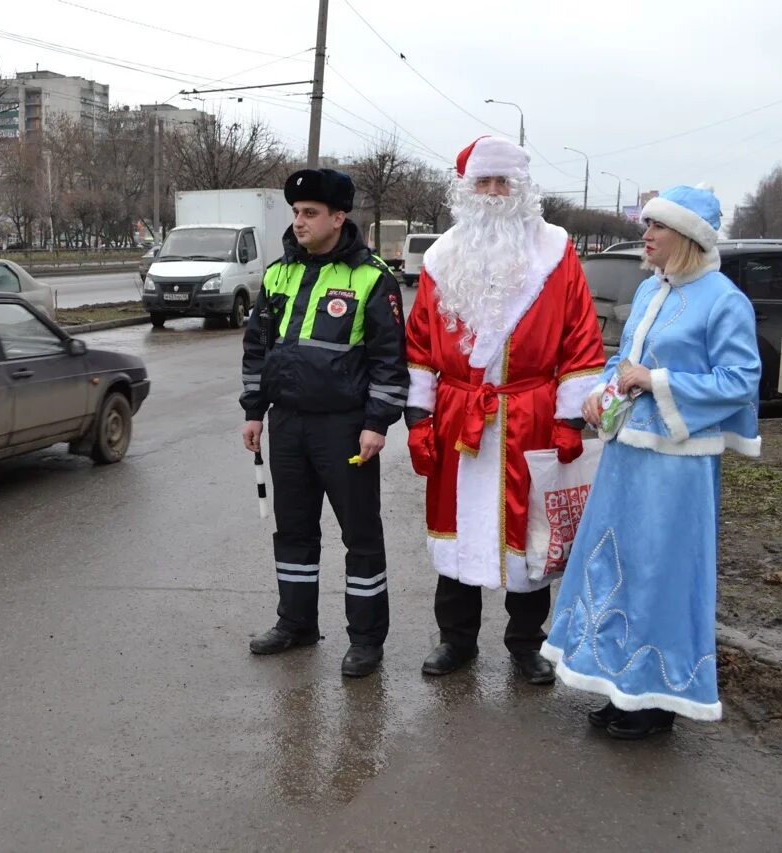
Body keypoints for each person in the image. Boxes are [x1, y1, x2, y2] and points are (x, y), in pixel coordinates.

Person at [542, 185, 761, 739]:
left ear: (687, 237)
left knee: (661, 572)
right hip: (626, 454)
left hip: (679, 465)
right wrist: (601, 387)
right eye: (647, 225)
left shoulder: (725, 300)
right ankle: (622, 686)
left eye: (657, 227)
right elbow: (625, 358)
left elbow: (740, 381)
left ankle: (657, 701)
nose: (647, 235)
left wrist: (656, 380)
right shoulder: (647, 290)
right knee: (616, 564)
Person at [403, 136, 605, 683]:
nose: (493, 194)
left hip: (530, 413)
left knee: (529, 535)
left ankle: (524, 643)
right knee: (457, 528)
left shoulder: (556, 253)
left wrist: (569, 420)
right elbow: (420, 342)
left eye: (503, 183)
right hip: (458, 415)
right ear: (467, 190)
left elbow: (581, 338)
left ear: (522, 189)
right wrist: (418, 418)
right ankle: (457, 640)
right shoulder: (442, 257)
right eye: (483, 183)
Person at [241, 167, 409, 678]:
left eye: (310, 213)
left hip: (345, 428)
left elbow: (389, 359)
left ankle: (366, 640)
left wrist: (378, 423)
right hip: (287, 424)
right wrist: (253, 411)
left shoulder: (372, 276)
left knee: (360, 536)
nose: (299, 222)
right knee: (292, 532)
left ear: (339, 218)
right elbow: (257, 347)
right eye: (295, 213)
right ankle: (296, 623)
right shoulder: (277, 274)